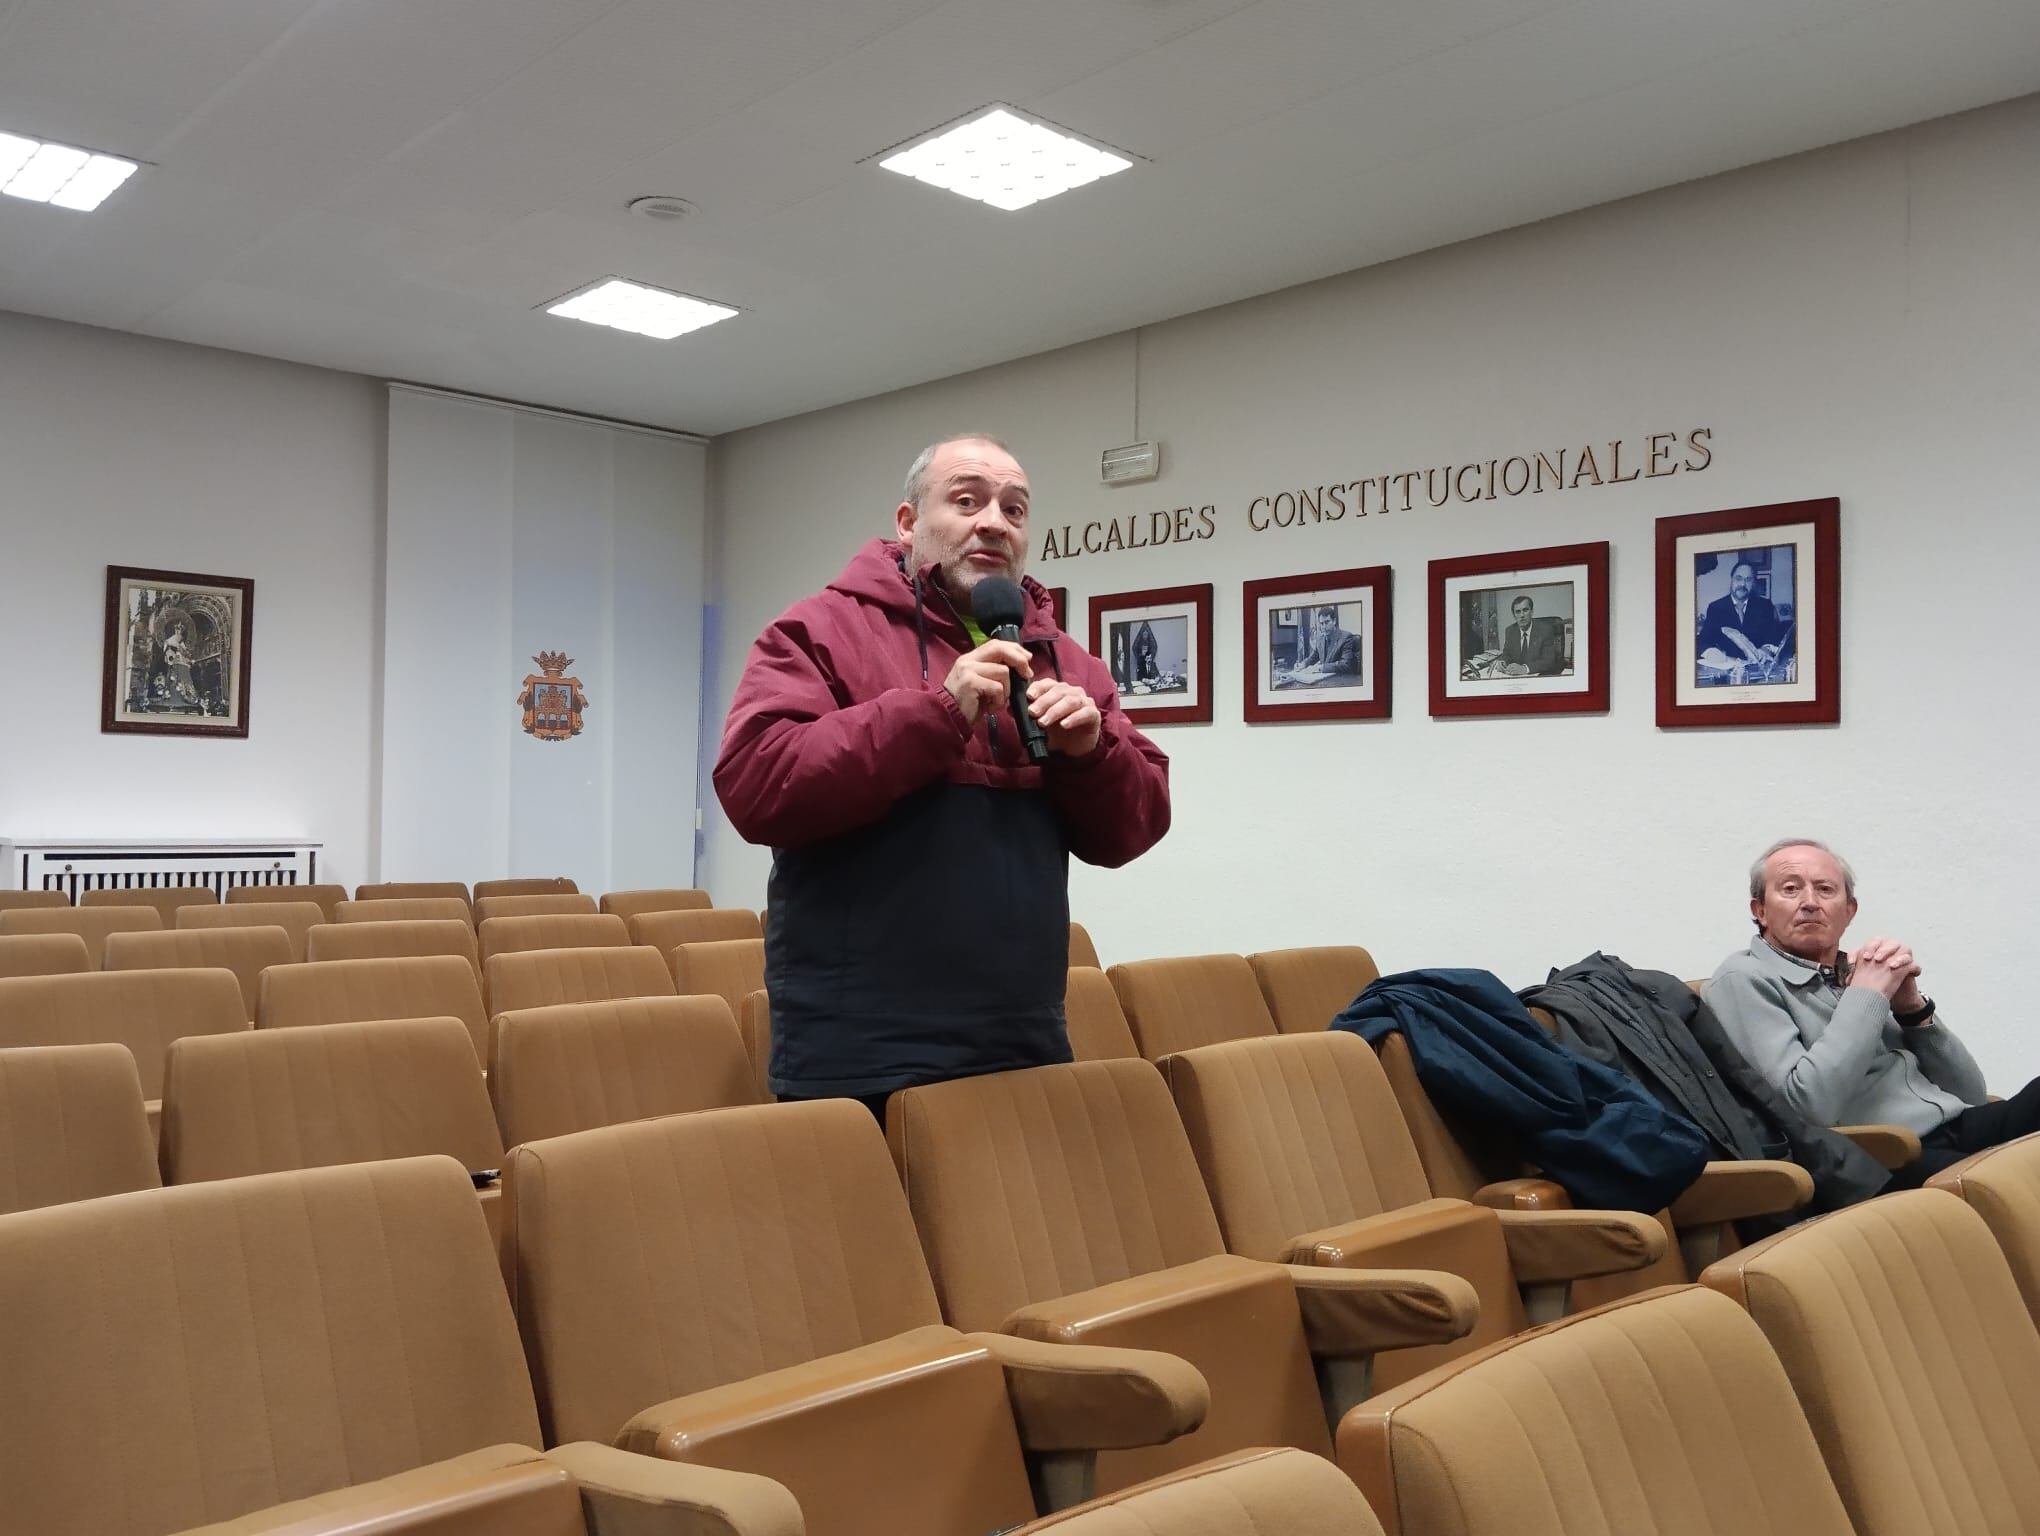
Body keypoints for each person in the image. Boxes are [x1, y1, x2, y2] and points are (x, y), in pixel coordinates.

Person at [714, 434, 1172, 1116]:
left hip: (1020, 1035)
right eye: (967, 500)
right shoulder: (819, 630)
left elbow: (1131, 830)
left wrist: (1092, 752)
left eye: (1015, 510)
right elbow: (758, 786)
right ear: (908, 524)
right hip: (861, 1046)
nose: (994, 521)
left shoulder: (1062, 659)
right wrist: (937, 715)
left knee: (1016, 1226)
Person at [1705, 838, 2039, 1184]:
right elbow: (1804, 1110)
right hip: (1882, 1156)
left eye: (1825, 889)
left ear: (1849, 912)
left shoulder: (1855, 972)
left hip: (1954, 1125)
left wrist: (1912, 1009)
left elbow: (1969, 1094)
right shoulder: (1741, 979)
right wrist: (1866, 996)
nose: (1809, 903)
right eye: (1791, 889)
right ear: (1760, 911)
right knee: (2012, 1181)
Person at [1696, 560, 1789, 678]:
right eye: (1738, 578)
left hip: (1759, 671)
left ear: (1754, 583)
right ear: (1732, 580)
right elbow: (1703, 640)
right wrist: (1710, 652)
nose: (1743, 584)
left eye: (1748, 579)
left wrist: (1766, 649)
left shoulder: (1764, 606)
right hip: (1728, 673)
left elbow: (1773, 637)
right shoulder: (1716, 607)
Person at [1499, 595, 1566, 676]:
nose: (1522, 615)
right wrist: (1503, 662)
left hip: (1539, 676)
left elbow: (1549, 661)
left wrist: (1524, 668)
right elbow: (1507, 653)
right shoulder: (1510, 631)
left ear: (1532, 611)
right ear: (1514, 615)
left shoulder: (1545, 629)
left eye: (1525, 610)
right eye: (1518, 612)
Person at [1289, 606, 1361, 680]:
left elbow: (1345, 664)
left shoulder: (1346, 637)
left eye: (1327, 622)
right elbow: (1313, 658)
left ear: (1334, 621)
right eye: (1321, 623)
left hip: (1341, 680)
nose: (1324, 627)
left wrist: (1319, 668)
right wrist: (1303, 664)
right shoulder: (1320, 639)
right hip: (1324, 679)